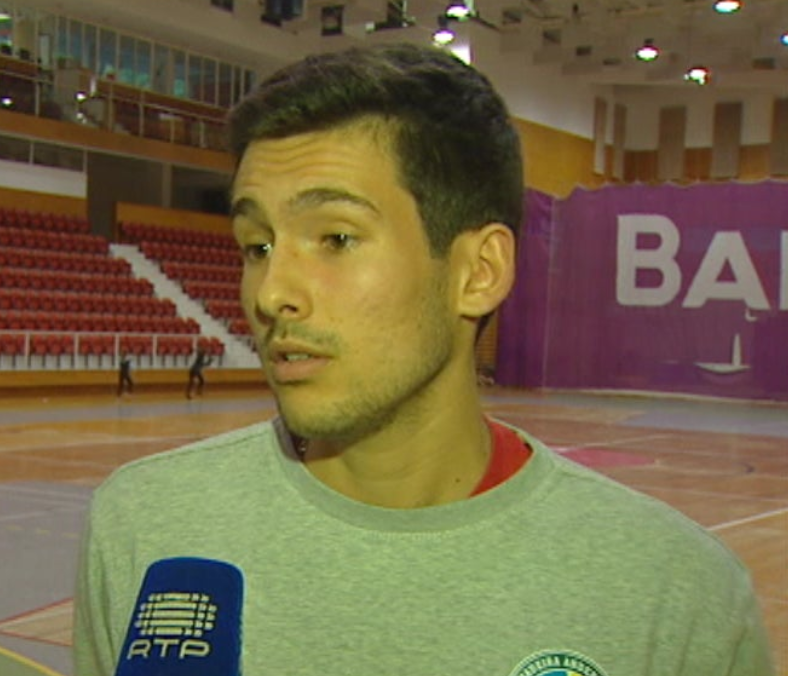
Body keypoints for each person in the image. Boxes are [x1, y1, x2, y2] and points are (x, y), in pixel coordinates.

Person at [74, 43, 774, 676]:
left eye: (336, 238)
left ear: (478, 272)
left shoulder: (675, 597)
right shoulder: (144, 523)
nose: (273, 291)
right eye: (257, 245)